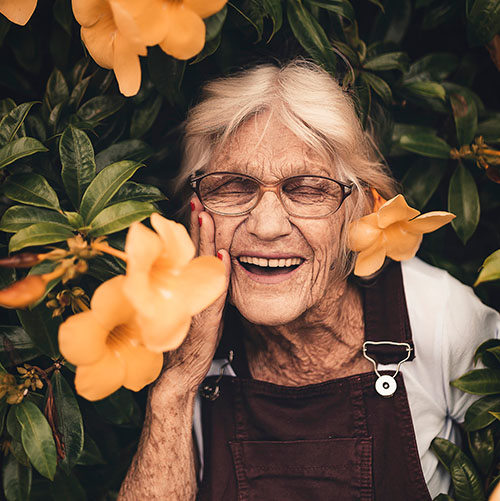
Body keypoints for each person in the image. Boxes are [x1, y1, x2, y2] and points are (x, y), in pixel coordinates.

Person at [118, 60, 500, 500]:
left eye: (307, 189)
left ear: (355, 211)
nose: (265, 225)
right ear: (196, 212)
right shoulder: (186, 335)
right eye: (234, 186)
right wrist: (178, 383)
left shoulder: (438, 316)